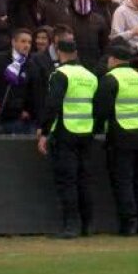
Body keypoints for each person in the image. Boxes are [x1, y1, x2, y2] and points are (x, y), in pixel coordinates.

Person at [95, 42, 138, 236]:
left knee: (123, 180)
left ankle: (129, 223)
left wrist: (97, 129)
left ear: (113, 60)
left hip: (123, 134)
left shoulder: (110, 79)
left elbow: (102, 109)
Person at [36, 39, 99, 238]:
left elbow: (52, 104)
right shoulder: (90, 76)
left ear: (59, 52)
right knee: (84, 179)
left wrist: (44, 132)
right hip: (86, 132)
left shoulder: (60, 74)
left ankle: (70, 226)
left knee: (67, 181)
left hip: (65, 132)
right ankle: (87, 225)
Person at [0, 28, 35, 134]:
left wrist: (28, 110)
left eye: (29, 42)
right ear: (13, 42)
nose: (27, 45)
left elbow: (33, 91)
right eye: (23, 41)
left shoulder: (31, 65)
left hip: (17, 120)